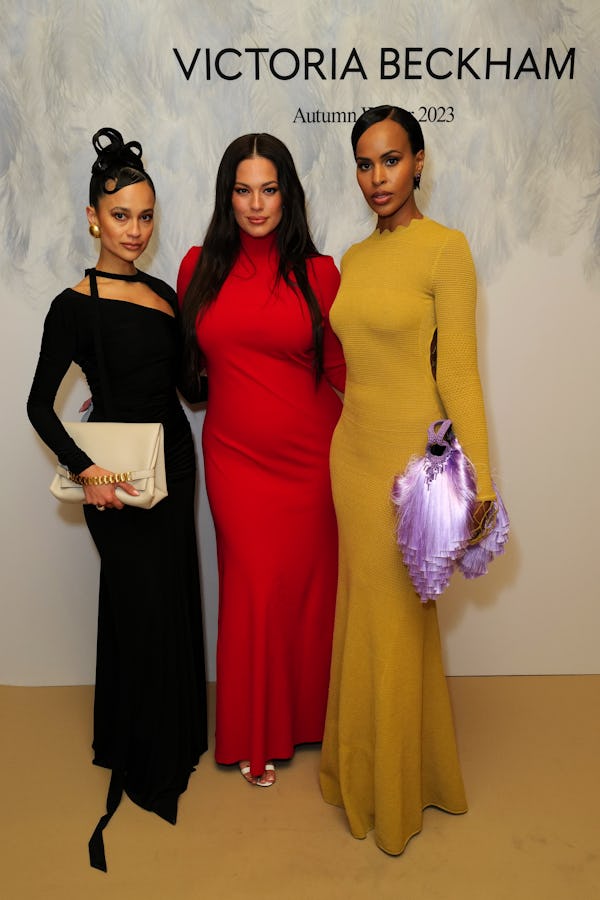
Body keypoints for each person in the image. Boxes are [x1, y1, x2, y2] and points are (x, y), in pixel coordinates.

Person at [27, 128, 207, 870]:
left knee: (171, 596)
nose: (136, 230)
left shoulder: (164, 293)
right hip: (118, 481)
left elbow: (191, 388)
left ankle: (174, 735)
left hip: (175, 464)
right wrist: (87, 471)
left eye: (146, 216)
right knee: (136, 603)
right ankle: (137, 752)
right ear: (94, 218)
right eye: (122, 215)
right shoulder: (72, 304)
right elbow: (40, 407)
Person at [319, 106, 497, 854]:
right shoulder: (354, 260)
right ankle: (362, 770)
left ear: (419, 162)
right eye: (364, 164)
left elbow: (457, 371)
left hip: (410, 470)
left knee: (398, 623)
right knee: (366, 617)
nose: (376, 178)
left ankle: (399, 793)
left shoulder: (445, 251)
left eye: (390, 161)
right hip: (351, 457)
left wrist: (480, 481)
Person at [178, 133, 345, 787]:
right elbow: (178, 362)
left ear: (288, 194)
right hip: (235, 459)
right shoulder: (198, 266)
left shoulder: (320, 272)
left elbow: (341, 370)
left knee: (309, 594)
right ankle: (253, 736)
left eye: (269, 189)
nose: (255, 204)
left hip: (313, 461)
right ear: (227, 196)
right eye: (242, 190)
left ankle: (309, 723)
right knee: (252, 588)